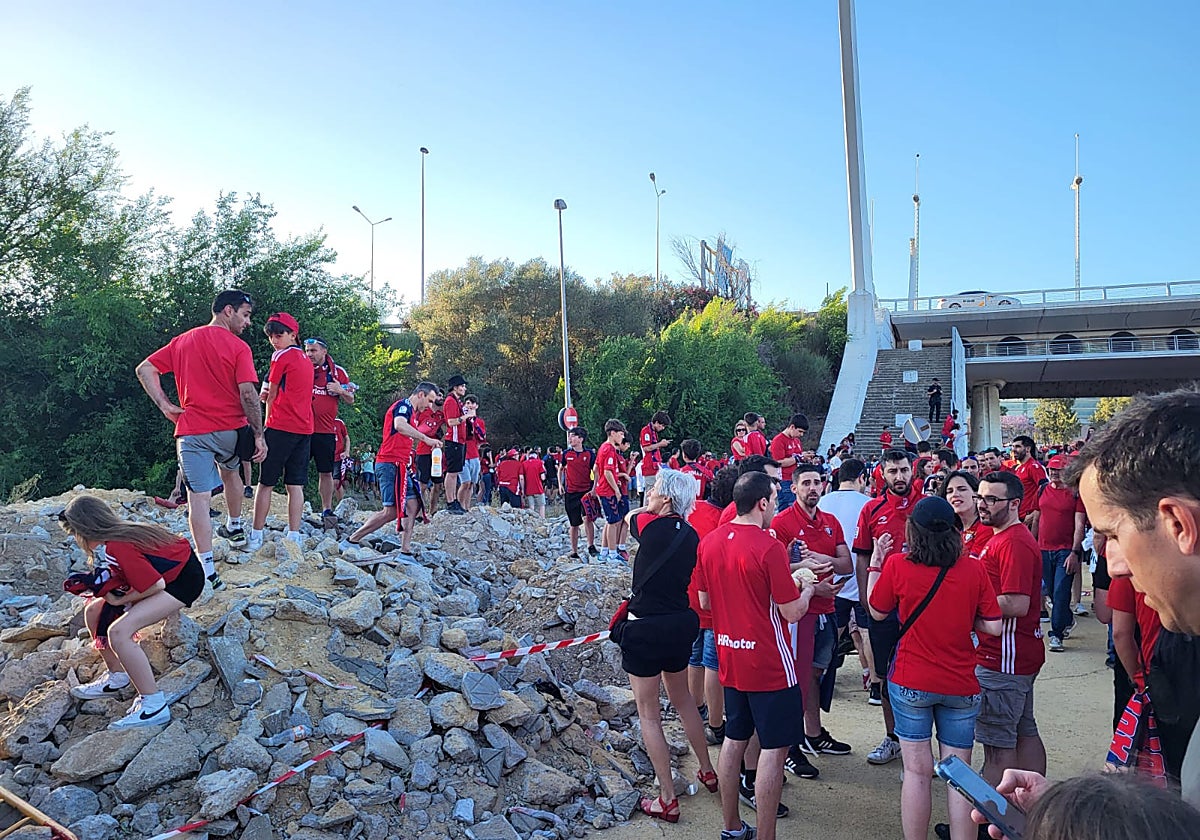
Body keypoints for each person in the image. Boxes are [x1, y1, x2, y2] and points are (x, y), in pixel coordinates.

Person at [868, 496, 1002, 840]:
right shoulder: (972, 568)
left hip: (911, 678)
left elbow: (877, 611)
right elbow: (994, 625)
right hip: (960, 681)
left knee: (916, 771)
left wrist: (875, 564)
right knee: (959, 774)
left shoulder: (898, 565)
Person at [135, 289, 265, 590]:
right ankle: (234, 526)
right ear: (228, 311)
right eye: (245, 315)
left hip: (191, 431)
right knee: (232, 472)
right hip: (230, 430)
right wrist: (259, 434)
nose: (247, 323)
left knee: (198, 499)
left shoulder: (182, 341)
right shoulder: (238, 347)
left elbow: (145, 368)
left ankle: (207, 570)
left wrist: (165, 406)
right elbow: (248, 393)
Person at [614, 470, 717, 823]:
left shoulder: (649, 526)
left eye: (655, 491)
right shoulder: (691, 536)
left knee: (649, 714)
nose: (650, 495)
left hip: (645, 628)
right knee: (684, 700)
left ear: (667, 499)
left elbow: (630, 516)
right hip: (678, 623)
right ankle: (707, 769)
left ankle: (666, 797)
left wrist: (647, 506)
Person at [61, 494, 206, 729]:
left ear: (84, 530)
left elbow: (155, 585)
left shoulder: (118, 545)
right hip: (173, 575)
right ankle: (117, 675)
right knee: (93, 612)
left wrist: (120, 601)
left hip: (182, 583)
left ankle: (153, 704)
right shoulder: (121, 532)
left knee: (119, 632)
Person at [772, 464, 853, 771]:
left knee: (815, 676)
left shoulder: (830, 521)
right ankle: (790, 747)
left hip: (828, 611)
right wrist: (810, 583)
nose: (813, 488)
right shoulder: (782, 522)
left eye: (817, 482)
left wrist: (822, 560)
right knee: (795, 680)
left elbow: (845, 564)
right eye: (805, 483)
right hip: (800, 613)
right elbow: (774, 569)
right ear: (794, 488)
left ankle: (813, 734)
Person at [974, 470, 1046, 788]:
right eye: (981, 497)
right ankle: (1029, 808)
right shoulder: (1004, 538)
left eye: (992, 499)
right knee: (1022, 730)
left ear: (1014, 503)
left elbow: (1017, 604)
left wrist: (971, 604)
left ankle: (989, 826)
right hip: (1014, 655)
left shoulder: (1013, 542)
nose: (983, 505)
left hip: (1004, 657)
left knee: (998, 749)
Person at [854, 449, 920, 765]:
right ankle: (893, 737)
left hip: (923, 609)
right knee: (885, 676)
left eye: (904, 470)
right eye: (892, 471)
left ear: (913, 470)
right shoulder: (872, 509)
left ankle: (924, 747)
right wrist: (865, 599)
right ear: (882, 472)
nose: (899, 477)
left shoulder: (928, 506)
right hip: (884, 608)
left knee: (923, 678)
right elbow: (863, 556)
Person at [345, 382, 441, 554]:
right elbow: (399, 425)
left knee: (413, 505)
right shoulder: (403, 406)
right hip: (390, 463)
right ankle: (352, 539)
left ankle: (405, 550)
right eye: (429, 400)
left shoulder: (413, 413)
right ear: (421, 394)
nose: (429, 405)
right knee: (391, 511)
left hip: (402, 465)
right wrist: (425, 439)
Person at [246, 313, 314, 551]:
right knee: (295, 484)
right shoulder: (306, 359)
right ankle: (294, 534)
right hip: (304, 427)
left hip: (280, 425)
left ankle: (256, 534)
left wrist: (263, 428)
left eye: (278, 335)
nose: (274, 340)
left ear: (292, 335)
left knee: (265, 483)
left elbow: (271, 393)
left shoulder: (280, 356)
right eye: (272, 336)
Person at [687, 465, 738, 746]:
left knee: (694, 658)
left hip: (688, 594)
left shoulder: (693, 509)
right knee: (712, 664)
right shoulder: (727, 521)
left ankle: (696, 711)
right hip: (712, 600)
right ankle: (716, 725)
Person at [819, 458, 876, 703]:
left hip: (834, 577)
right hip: (863, 577)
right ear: (861, 478)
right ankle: (875, 685)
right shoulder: (870, 503)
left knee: (834, 633)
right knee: (866, 632)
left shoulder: (823, 502)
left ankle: (824, 681)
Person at [303, 337, 355, 527]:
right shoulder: (301, 366)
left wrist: (340, 390)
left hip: (325, 430)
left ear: (324, 351)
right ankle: (297, 508)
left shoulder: (337, 371)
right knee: (297, 470)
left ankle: (326, 508)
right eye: (307, 350)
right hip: (302, 428)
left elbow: (351, 399)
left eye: (313, 351)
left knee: (325, 472)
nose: (309, 354)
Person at [1037, 455, 1086, 652]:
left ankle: (1056, 634)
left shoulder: (1075, 494)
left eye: (1058, 469)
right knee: (1051, 591)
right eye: (1051, 469)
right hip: (1043, 549)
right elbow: (1037, 516)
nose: (1054, 473)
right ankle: (1066, 619)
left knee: (1060, 591)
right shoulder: (1043, 490)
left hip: (1065, 551)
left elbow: (1079, 525)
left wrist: (1074, 552)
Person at [595, 420, 629, 563]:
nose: (622, 437)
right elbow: (608, 472)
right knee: (614, 521)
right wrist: (616, 489)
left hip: (603, 489)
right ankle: (613, 553)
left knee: (610, 521)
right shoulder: (609, 449)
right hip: (608, 490)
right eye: (621, 434)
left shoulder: (603, 447)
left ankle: (604, 552)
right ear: (613, 433)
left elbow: (597, 468)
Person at [561, 429, 597, 559]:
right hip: (571, 492)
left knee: (588, 518)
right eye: (569, 437)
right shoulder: (566, 454)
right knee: (574, 523)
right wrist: (560, 484)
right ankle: (574, 551)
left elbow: (596, 471)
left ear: (581, 439)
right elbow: (561, 468)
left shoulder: (589, 454)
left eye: (573, 437)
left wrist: (594, 488)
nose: (570, 439)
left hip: (586, 491)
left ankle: (591, 545)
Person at [440, 374, 473, 515]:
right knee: (452, 472)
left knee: (455, 472)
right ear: (455, 387)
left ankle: (454, 501)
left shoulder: (456, 401)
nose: (464, 389)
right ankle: (450, 501)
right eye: (462, 386)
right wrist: (466, 417)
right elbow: (451, 421)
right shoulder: (450, 401)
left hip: (459, 440)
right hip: (453, 440)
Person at [769, 413, 809, 512]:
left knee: (798, 509)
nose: (801, 435)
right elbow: (778, 462)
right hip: (785, 480)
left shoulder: (796, 441)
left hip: (797, 479)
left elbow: (798, 456)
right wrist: (798, 458)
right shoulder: (779, 440)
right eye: (799, 431)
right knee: (788, 509)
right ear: (792, 427)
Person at [1008, 435, 1047, 526]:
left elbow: (1045, 489)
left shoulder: (1034, 467)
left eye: (1018, 447)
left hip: (1028, 518)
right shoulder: (1019, 468)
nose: (1014, 450)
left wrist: (1034, 513)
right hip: (1019, 516)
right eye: (1013, 447)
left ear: (1028, 449)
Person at [458, 394, 485, 512]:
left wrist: (474, 422)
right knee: (465, 482)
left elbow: (482, 437)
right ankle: (460, 506)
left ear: (476, 406)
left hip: (474, 454)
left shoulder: (479, 422)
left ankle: (467, 507)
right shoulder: (461, 419)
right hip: (463, 454)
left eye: (472, 403)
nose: (470, 406)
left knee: (471, 484)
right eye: (467, 403)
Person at [638, 411, 672, 492]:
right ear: (656, 422)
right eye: (662, 425)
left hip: (656, 468)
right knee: (650, 494)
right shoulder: (646, 431)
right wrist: (660, 444)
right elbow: (646, 448)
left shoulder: (654, 433)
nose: (663, 428)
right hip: (649, 467)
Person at [522, 448, 547, 518]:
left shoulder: (524, 463)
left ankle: (532, 520)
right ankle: (542, 520)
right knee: (541, 505)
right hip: (538, 488)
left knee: (531, 506)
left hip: (528, 489)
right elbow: (543, 477)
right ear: (536, 455)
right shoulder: (539, 462)